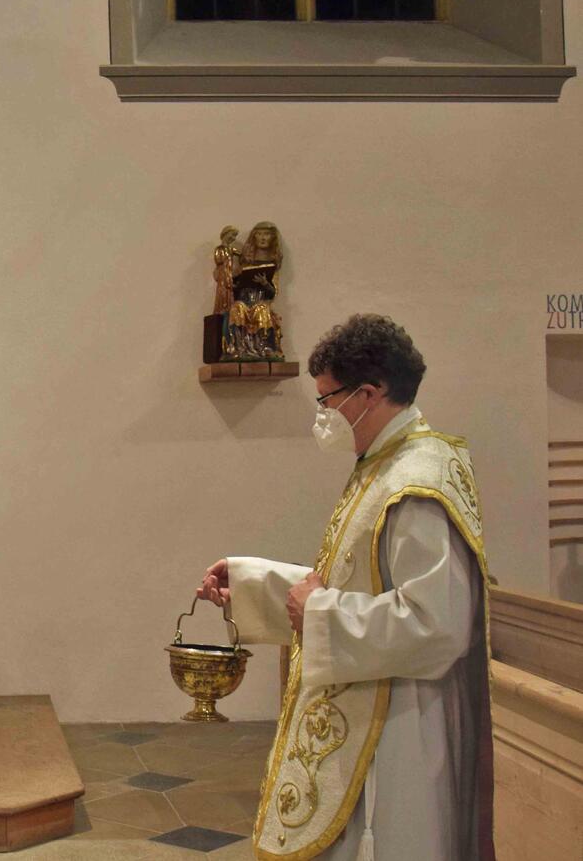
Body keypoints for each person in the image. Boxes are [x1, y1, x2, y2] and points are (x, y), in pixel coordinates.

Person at [197, 314, 493, 860]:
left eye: (328, 399)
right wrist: (252, 582)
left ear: (370, 393)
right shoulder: (384, 464)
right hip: (374, 698)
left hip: (401, 720)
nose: (324, 414)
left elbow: (438, 622)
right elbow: (349, 578)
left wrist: (321, 613)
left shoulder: (416, 483)